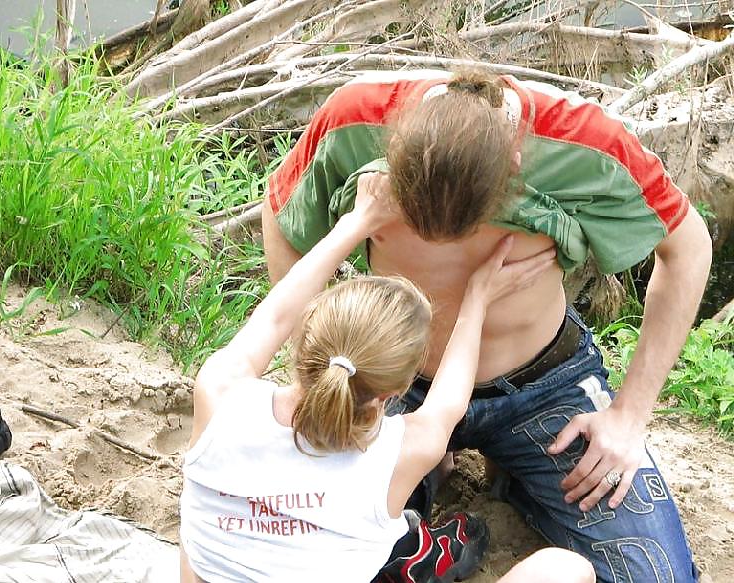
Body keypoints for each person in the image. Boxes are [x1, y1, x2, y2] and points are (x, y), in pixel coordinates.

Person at [261, 67, 712, 582]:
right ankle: (426, 492)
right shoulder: (354, 119)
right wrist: (321, 367)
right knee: (302, 538)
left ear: (517, 164)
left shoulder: (584, 142)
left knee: (656, 575)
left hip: (543, 388)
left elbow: (688, 246)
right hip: (393, 386)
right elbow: (282, 214)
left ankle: (517, 476)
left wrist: (630, 415)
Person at [179, 184, 593, 582]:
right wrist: (478, 297)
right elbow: (449, 402)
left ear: (304, 337)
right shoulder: (392, 458)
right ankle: (412, 554)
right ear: (395, 395)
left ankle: (406, 552)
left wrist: (355, 223)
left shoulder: (219, 393)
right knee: (566, 571)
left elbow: (273, 315)